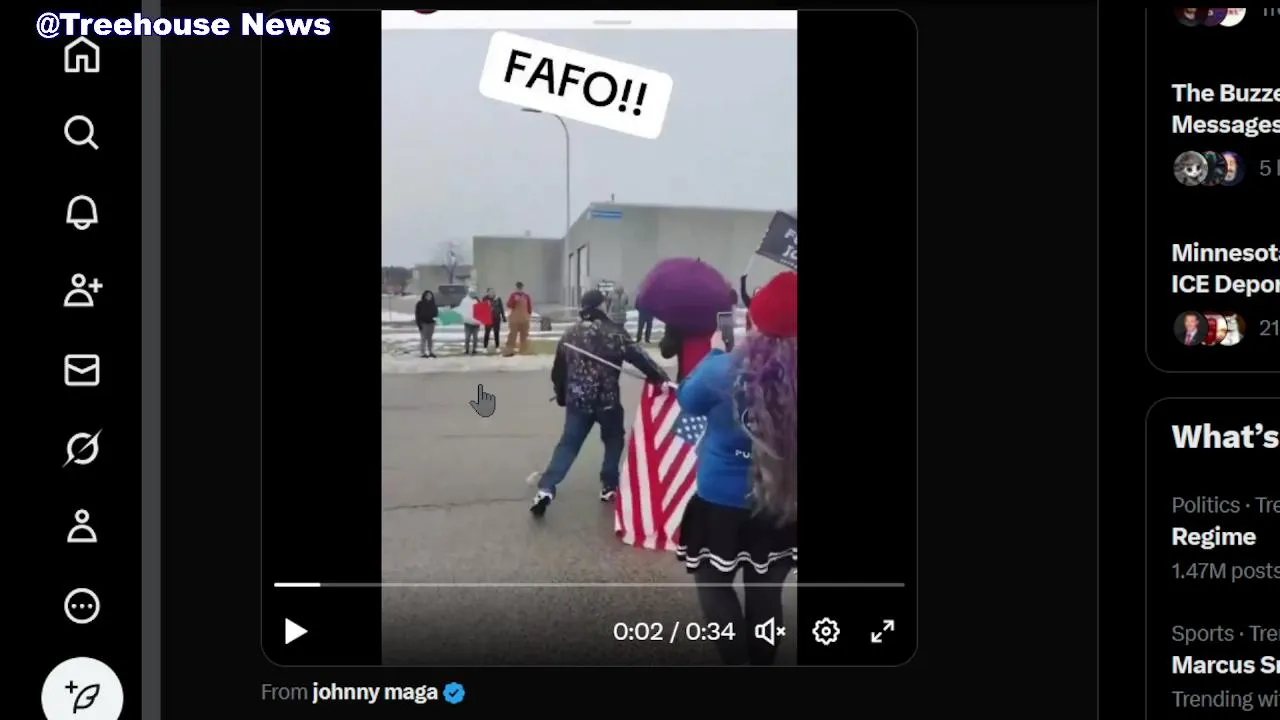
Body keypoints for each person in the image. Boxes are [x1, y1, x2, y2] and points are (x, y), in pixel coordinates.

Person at [674, 270, 798, 666]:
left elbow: (688, 400)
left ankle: (735, 661)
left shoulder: (722, 368)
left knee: (714, 586)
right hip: (782, 500)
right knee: (767, 594)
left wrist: (713, 354)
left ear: (754, 319)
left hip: (720, 501)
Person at [527, 289, 670, 515]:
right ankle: (609, 485)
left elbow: (558, 371)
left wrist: (562, 395)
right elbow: (641, 359)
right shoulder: (614, 333)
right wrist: (661, 379)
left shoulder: (570, 334)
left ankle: (546, 488)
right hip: (607, 401)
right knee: (613, 440)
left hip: (578, 401)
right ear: (601, 306)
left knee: (568, 445)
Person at [504, 281, 534, 356]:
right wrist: (515, 300)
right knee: (512, 335)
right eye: (518, 288)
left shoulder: (526, 296)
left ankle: (523, 351)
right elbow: (509, 305)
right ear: (516, 288)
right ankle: (509, 351)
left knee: (524, 335)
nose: (519, 289)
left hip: (524, 319)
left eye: (520, 288)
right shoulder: (513, 295)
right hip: (514, 319)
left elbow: (529, 307)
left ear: (523, 288)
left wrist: (529, 316)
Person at [414, 290, 438, 358]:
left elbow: (436, 313)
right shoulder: (420, 304)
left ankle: (431, 351)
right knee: (423, 338)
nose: (429, 296)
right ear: (424, 296)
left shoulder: (433, 304)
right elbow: (417, 314)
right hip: (423, 323)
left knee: (430, 338)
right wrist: (419, 324)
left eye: (430, 295)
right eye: (427, 295)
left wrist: (435, 319)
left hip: (431, 323)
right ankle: (422, 352)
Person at [457, 291, 482, 355]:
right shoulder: (465, 301)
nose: (472, 295)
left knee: (475, 338)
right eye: (471, 293)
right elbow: (462, 310)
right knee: (467, 337)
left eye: (474, 293)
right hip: (467, 323)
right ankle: (467, 349)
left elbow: (481, 310)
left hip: (476, 323)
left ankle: (474, 349)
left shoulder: (477, 301)